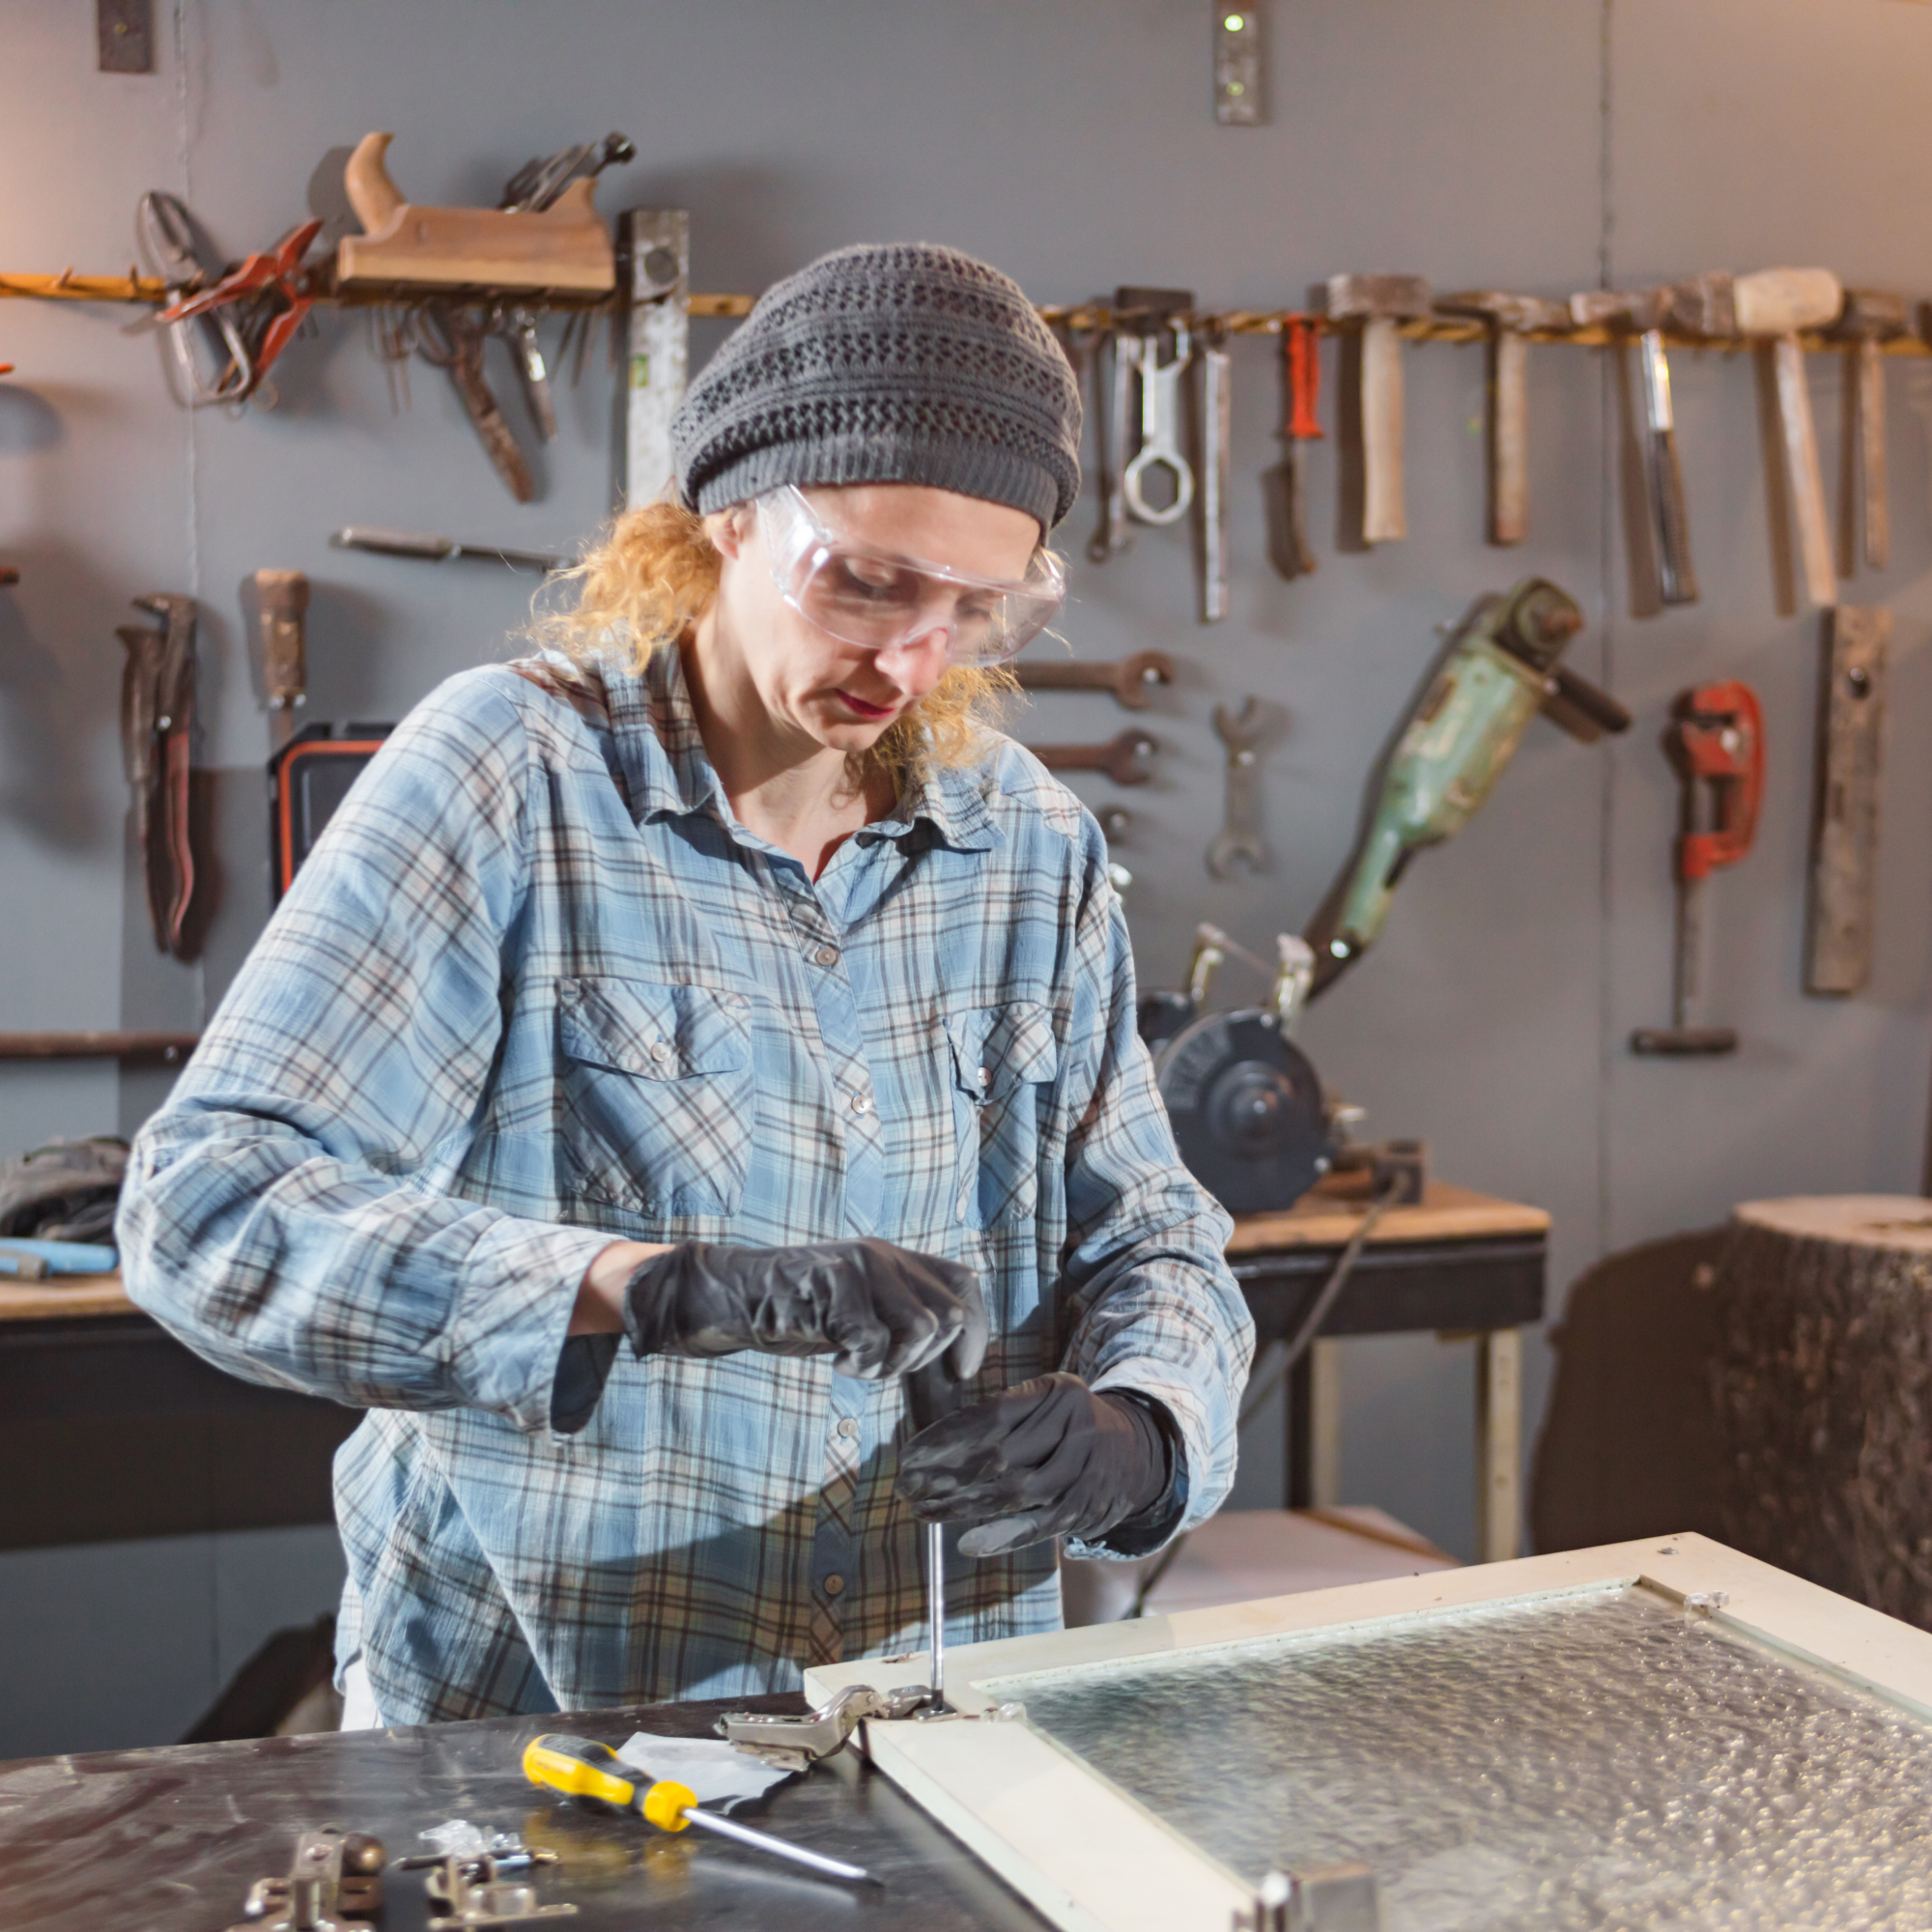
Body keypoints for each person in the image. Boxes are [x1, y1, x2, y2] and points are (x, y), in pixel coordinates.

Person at [118, 242, 1253, 1727]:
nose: (909, 661)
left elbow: (1155, 1234)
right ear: (728, 517)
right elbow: (207, 1208)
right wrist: (634, 1292)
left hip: (932, 1725)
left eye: (972, 612)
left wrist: (1142, 1431)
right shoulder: (512, 779)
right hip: (541, 1743)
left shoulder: (1024, 840)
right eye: (865, 585)